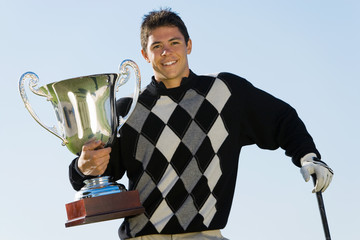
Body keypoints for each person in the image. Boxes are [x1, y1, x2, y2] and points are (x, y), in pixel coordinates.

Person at [69, 9, 333, 240]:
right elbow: (95, 174)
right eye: (156, 46)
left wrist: (308, 156)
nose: (167, 52)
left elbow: (282, 118)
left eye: (174, 42)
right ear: (145, 55)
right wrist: (82, 167)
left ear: (189, 45)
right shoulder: (127, 109)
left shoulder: (225, 92)